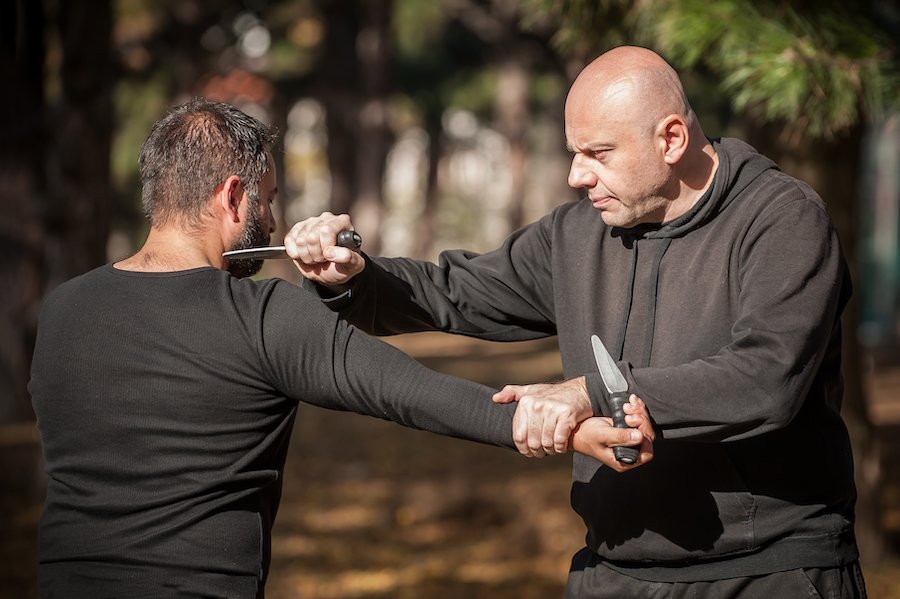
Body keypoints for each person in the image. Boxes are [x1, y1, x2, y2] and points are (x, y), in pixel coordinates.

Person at [286, 45, 866, 598]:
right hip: (611, 569)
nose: (576, 175)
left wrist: (589, 393)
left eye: (598, 153)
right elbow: (454, 291)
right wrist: (351, 275)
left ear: (671, 138)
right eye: (573, 153)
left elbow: (767, 378)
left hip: (767, 573)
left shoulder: (782, 220)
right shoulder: (577, 234)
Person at [28, 98, 654, 598]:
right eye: (268, 201)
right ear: (232, 196)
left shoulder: (63, 309)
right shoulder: (263, 317)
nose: (270, 223)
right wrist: (568, 431)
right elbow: (414, 395)